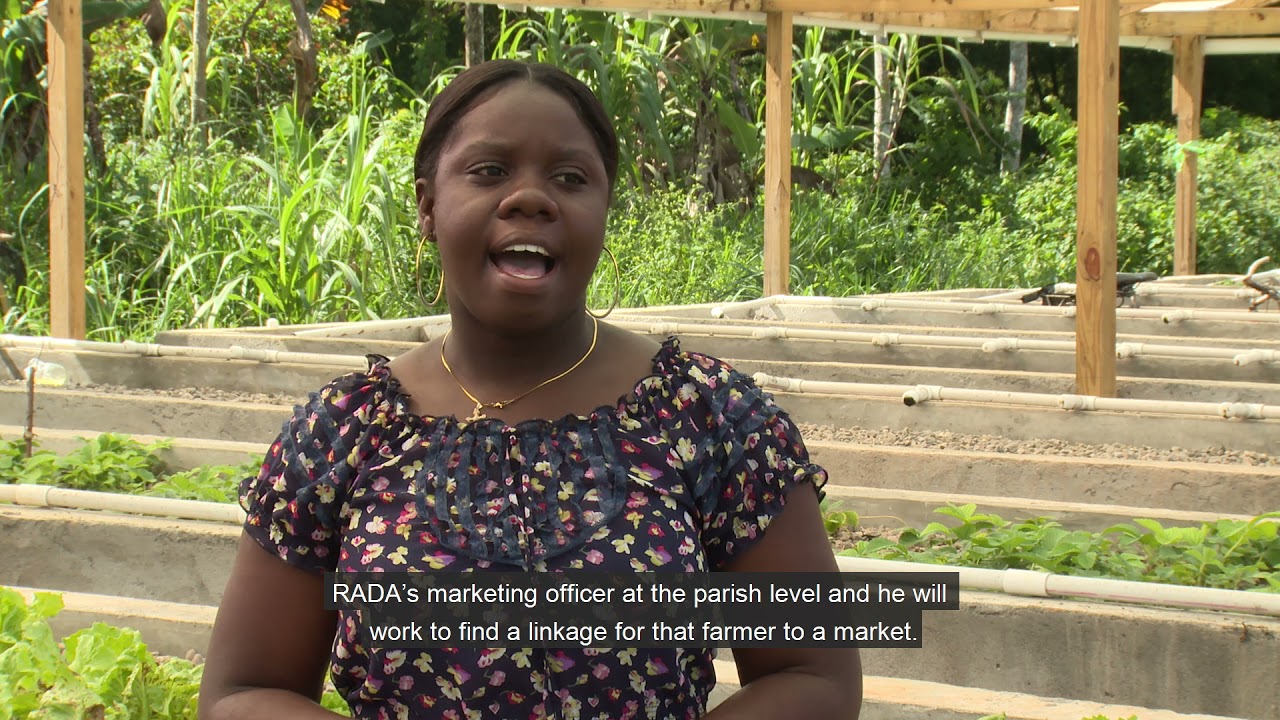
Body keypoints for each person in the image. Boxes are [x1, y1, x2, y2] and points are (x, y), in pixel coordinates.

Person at [198, 59, 861, 720]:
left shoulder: (709, 416)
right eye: (488, 172)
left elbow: (815, 675)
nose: (530, 198)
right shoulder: (343, 433)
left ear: (604, 211)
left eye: (570, 179)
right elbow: (243, 693)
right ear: (428, 206)